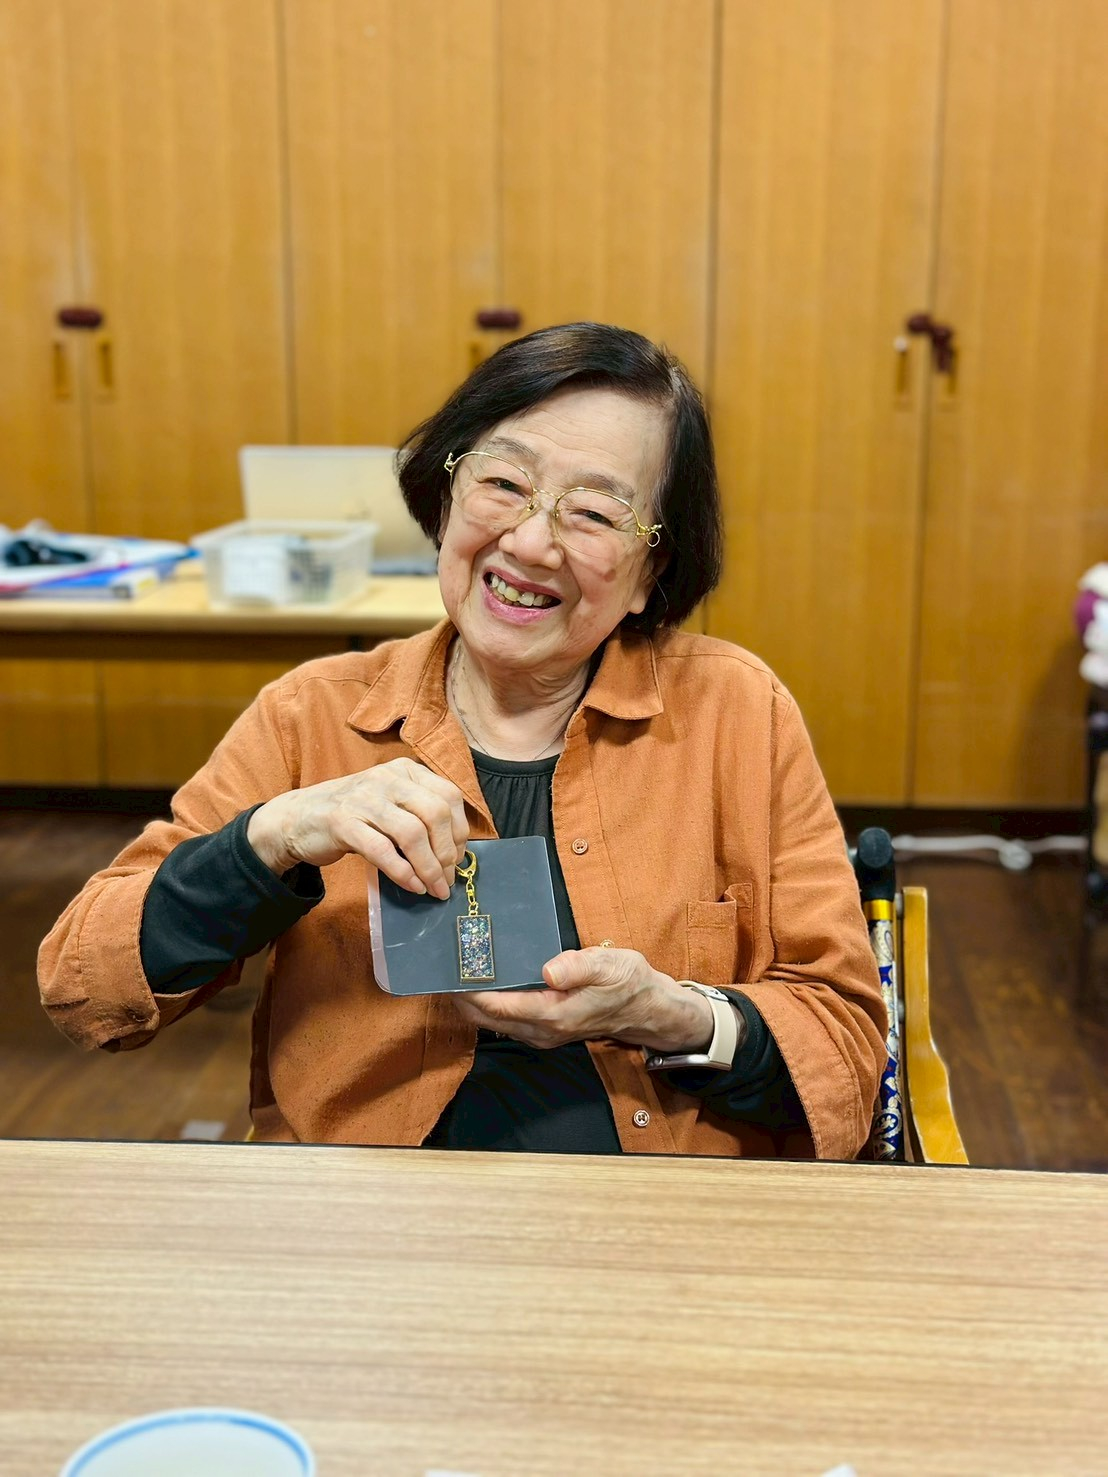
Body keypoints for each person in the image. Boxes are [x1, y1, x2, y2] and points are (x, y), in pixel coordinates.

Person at [38, 322, 885, 1159]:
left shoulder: (737, 712)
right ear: (445, 503)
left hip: (655, 1217)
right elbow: (83, 986)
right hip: (367, 1212)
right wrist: (275, 835)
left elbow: (846, 1051)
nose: (531, 541)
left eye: (595, 512)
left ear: (648, 575)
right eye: (505, 482)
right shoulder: (311, 715)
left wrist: (671, 1014)